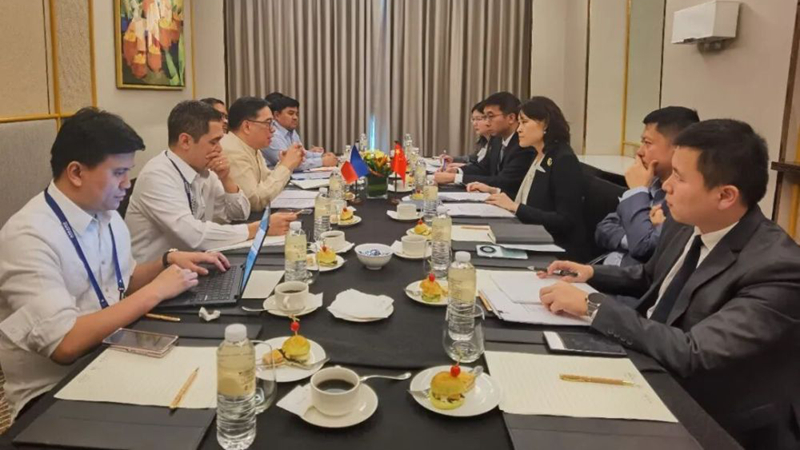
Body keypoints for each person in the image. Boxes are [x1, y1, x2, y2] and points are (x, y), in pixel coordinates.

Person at [539, 119, 800, 450]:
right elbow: (652, 277)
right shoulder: (686, 222)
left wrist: (593, 306)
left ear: (725, 195)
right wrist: (591, 274)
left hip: (709, 414)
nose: (667, 186)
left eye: (679, 177)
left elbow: (694, 353)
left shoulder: (778, 268)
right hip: (646, 363)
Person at [0, 108, 229, 419]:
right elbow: (64, 344)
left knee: (217, 379)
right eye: (118, 173)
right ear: (76, 172)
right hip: (53, 391)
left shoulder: (105, 214)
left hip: (111, 352)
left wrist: (166, 262)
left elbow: (123, 280)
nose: (126, 184)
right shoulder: (28, 237)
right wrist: (156, 291)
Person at [126, 100, 296, 262]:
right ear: (185, 141)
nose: (220, 149)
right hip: (157, 275)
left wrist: (226, 179)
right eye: (214, 142)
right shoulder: (157, 175)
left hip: (193, 264)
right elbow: (193, 235)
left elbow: (240, 214)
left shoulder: (203, 169)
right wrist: (260, 228)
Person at [466, 97, 589, 261]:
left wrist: (516, 208)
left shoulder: (563, 159)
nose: (519, 129)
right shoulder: (539, 153)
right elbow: (531, 199)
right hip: (529, 234)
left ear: (545, 124)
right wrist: (494, 191)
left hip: (554, 249)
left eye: (524, 122)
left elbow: (566, 220)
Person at [595, 107, 699, 266]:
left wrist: (637, 191)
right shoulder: (651, 183)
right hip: (606, 269)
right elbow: (604, 228)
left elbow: (644, 247)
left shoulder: (682, 198)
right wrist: (632, 237)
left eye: (647, 143)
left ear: (677, 148)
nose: (640, 152)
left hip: (629, 278)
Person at [433, 91, 535, 199]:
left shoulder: (523, 144)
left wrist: (455, 178)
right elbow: (483, 168)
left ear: (511, 118)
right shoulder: (497, 138)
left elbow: (504, 181)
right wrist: (457, 171)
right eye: (485, 117)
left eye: (491, 116)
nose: (487, 123)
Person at [220, 96, 304, 211]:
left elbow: (266, 182)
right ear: (247, 126)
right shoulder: (232, 150)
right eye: (268, 123)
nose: (273, 129)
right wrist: (286, 166)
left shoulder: (252, 147)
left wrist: (283, 164)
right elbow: (255, 201)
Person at [261, 92, 337, 171]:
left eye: (296, 114)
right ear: (276, 115)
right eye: (291, 113)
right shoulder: (272, 134)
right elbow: (289, 164)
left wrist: (321, 156)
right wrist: (322, 161)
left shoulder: (291, 131)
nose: (295, 117)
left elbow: (302, 154)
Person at [440, 100, 491, 168]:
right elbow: (472, 158)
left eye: (478, 119)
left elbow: (486, 169)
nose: (474, 123)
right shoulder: (483, 140)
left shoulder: (497, 144)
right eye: (473, 119)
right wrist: (453, 159)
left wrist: (463, 167)